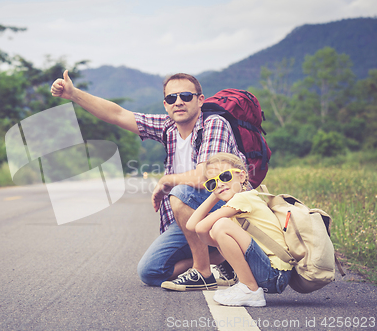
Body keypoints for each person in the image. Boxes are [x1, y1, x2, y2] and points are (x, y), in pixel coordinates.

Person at [51, 71, 245, 291]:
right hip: (191, 215)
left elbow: (205, 178)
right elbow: (117, 114)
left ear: (200, 100)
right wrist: (74, 94)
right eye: (172, 98)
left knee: (180, 191)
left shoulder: (214, 124)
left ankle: (203, 273)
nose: (178, 102)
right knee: (151, 272)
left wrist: (167, 181)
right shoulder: (168, 127)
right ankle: (221, 257)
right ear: (165, 104)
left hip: (226, 209)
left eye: (186, 96)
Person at [186, 153, 293, 306]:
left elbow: (200, 227)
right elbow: (191, 226)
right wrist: (217, 192)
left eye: (224, 177)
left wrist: (213, 238)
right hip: (270, 275)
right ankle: (248, 286)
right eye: (212, 183)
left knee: (220, 225)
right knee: (219, 228)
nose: (220, 184)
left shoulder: (243, 198)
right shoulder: (234, 203)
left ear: (241, 176)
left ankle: (250, 289)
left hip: (275, 274)